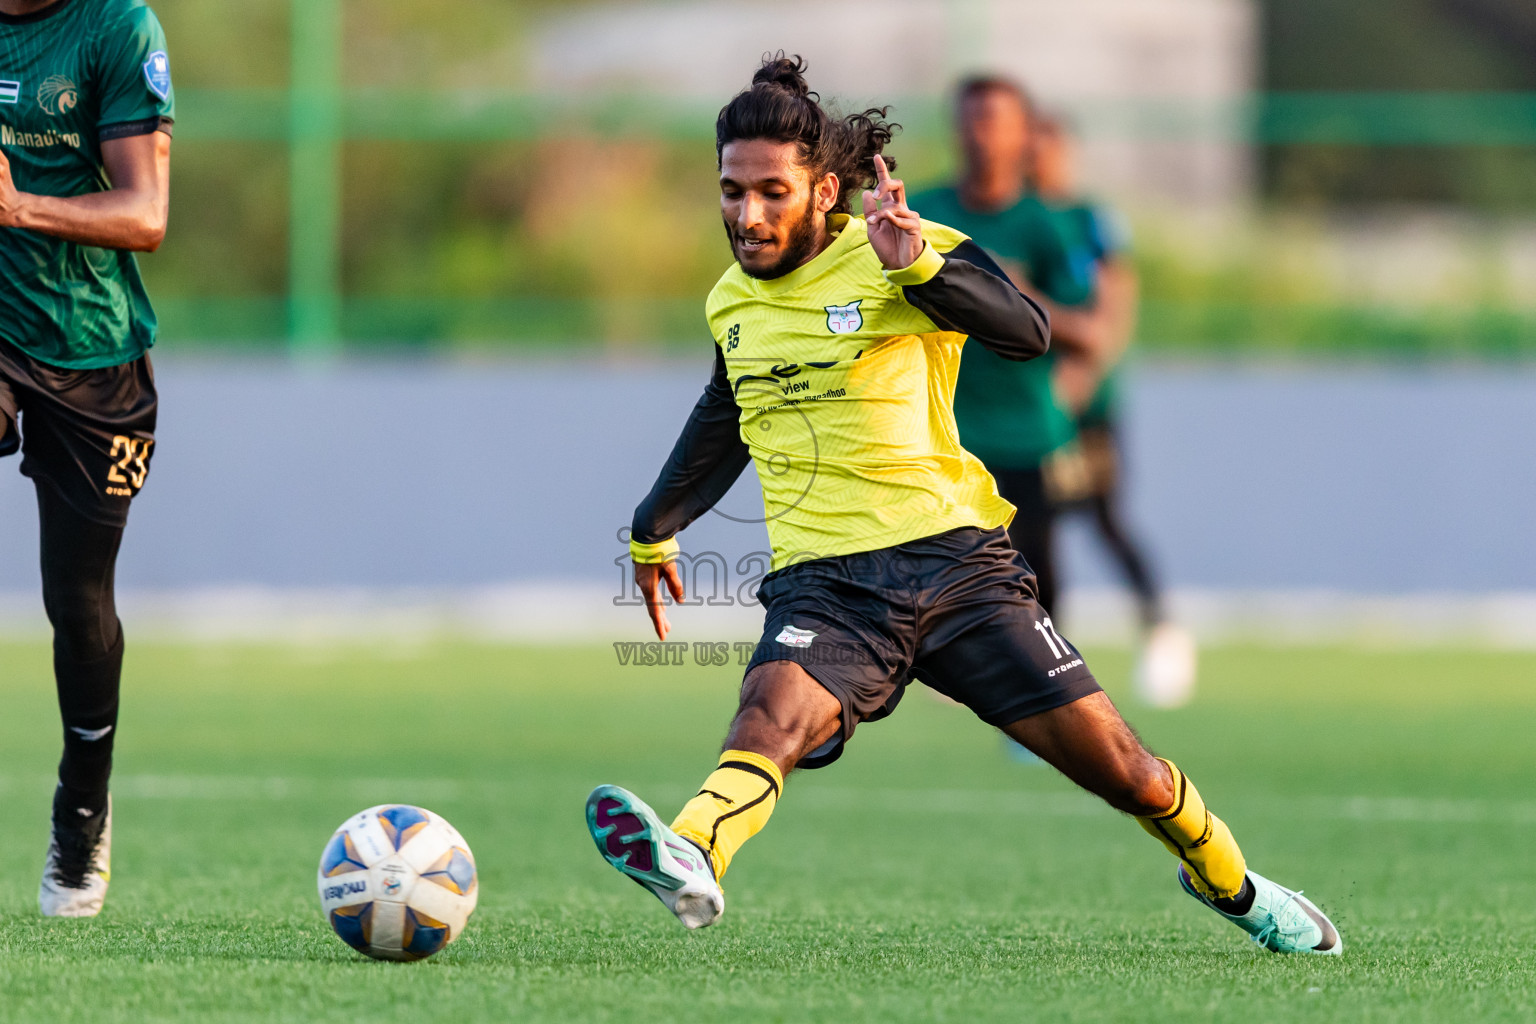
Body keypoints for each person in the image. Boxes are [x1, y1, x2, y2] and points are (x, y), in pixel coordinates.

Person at [583, 55, 1341, 956]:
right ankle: (691, 855)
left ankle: (1241, 889)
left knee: (1132, 776)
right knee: (765, 722)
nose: (747, 215)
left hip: (958, 569)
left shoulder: (900, 248)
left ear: (825, 190)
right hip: (826, 588)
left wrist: (923, 272)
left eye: (771, 192)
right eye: (731, 190)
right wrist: (652, 525)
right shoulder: (731, 303)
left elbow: (1030, 331)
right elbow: (725, 412)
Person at [0, 0, 174, 917]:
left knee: (77, 599)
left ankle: (82, 807)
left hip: (90, 352)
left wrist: (16, 205)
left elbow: (146, 214)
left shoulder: (116, 27)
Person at [908, 77, 1108, 621]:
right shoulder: (923, 215)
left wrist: (1015, 294)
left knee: (1039, 591)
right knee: (936, 584)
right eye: (970, 118)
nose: (980, 133)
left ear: (1023, 134)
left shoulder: (1046, 224)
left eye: (994, 120)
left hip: (1026, 435)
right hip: (943, 437)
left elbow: (1091, 333)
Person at [1030, 115, 1197, 708]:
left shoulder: (1089, 222)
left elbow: (1114, 308)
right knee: (1031, 534)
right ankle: (1043, 668)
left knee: (1103, 519)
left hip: (1084, 410)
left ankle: (1161, 628)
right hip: (1027, 413)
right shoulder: (1018, 223)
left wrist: (1079, 380)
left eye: (1048, 151)